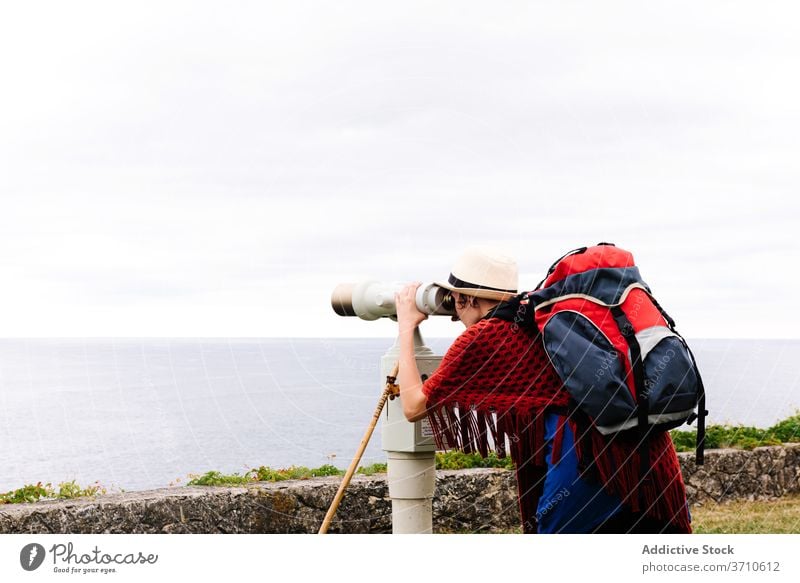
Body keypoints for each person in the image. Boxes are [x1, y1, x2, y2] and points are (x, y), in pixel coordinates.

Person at [394, 246, 692, 534]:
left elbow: (414, 405)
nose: (454, 315)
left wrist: (406, 326)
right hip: (644, 447)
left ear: (466, 299)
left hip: (586, 460)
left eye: (455, 301)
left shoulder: (485, 336)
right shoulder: (542, 315)